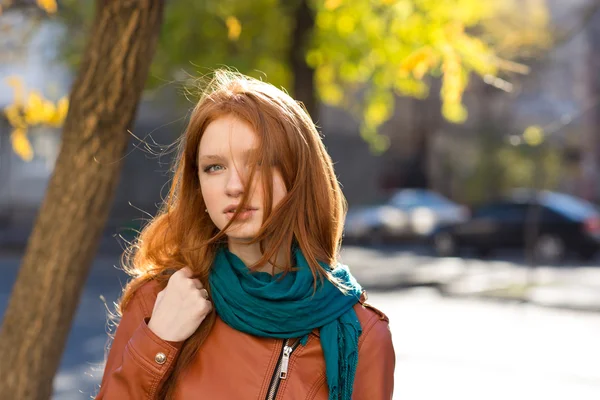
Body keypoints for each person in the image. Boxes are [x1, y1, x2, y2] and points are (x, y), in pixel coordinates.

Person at [96, 70, 395, 400]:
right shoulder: (160, 301)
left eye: (257, 162)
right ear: (198, 186)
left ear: (299, 174)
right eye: (214, 167)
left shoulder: (361, 336)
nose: (234, 186)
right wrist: (159, 341)